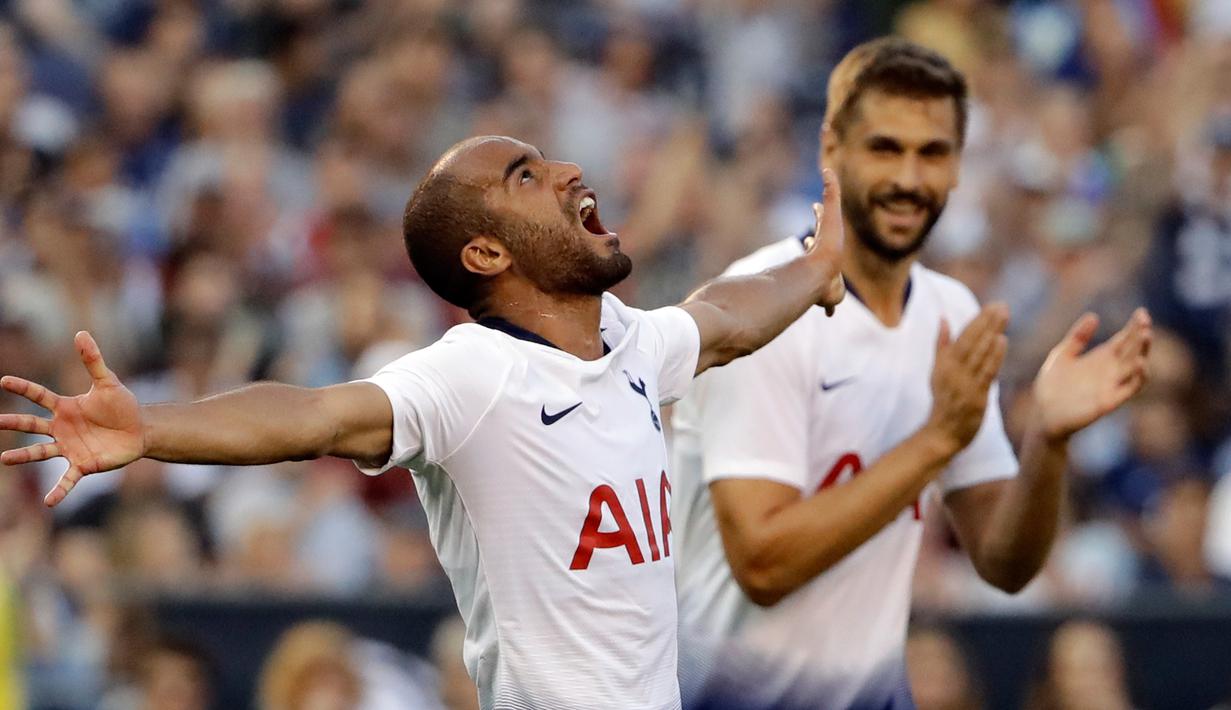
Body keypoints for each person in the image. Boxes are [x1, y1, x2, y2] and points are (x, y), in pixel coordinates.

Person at [0, 134, 846, 710]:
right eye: (524, 175)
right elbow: (318, 415)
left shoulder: (627, 341)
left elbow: (726, 319)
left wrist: (817, 267)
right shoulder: (474, 373)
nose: (563, 171)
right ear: (486, 255)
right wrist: (152, 427)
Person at [671, 38, 1152, 709]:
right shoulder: (758, 306)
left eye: (931, 153)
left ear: (958, 167)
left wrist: (1046, 439)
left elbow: (1003, 563)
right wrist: (935, 440)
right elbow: (762, 563)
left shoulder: (947, 313)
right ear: (829, 151)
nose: (908, 178)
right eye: (884, 148)